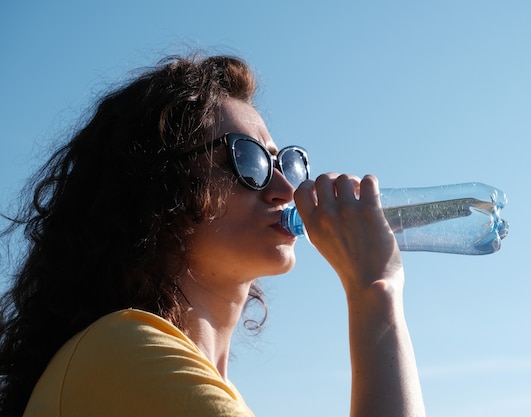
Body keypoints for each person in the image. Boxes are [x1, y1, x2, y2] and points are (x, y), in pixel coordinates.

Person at [0, 54, 426, 417]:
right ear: (160, 189)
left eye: (286, 164)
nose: (285, 190)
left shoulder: (163, 372)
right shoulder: (123, 353)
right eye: (248, 160)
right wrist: (375, 292)